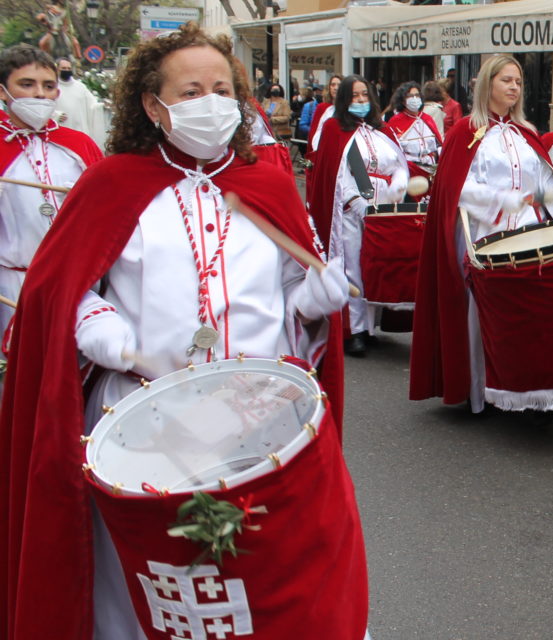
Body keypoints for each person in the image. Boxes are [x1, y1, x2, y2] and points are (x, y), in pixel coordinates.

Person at [0, 23, 359, 639]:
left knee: (272, 581)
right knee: (162, 586)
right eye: (190, 92)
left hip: (260, 421)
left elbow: (287, 294)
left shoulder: (267, 184)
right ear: (152, 105)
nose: (210, 102)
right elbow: (63, 292)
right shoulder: (112, 185)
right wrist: (100, 327)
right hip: (148, 417)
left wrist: (313, 297)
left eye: (222, 88)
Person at [409, 54, 553, 420]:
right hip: (485, 233)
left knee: (537, 315)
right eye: (506, 80)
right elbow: (457, 189)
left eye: (518, 82)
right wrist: (503, 203)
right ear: (487, 84)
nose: (513, 87)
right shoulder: (465, 132)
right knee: (485, 319)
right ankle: (481, 391)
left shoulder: (525, 133)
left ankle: (541, 394)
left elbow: (544, 184)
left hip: (529, 232)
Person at [0, 45, 102, 340]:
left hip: (76, 284)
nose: (40, 94)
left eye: (48, 85)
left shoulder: (78, 145)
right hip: (12, 284)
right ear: (4, 92)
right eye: (26, 84)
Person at [308, 74, 409, 356]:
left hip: (385, 207)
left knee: (375, 266)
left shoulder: (383, 130)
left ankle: (371, 326)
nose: (361, 100)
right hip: (351, 211)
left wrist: (398, 185)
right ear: (344, 100)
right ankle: (355, 330)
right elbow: (340, 173)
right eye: (354, 96)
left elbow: (399, 164)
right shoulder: (334, 129)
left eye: (364, 94)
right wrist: (359, 203)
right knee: (352, 267)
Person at [386, 80, 444, 203]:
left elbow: (438, 143)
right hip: (410, 171)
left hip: (431, 171)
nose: (414, 99)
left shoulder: (427, 119)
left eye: (417, 95)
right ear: (403, 100)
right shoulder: (395, 122)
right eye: (410, 96)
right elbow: (393, 151)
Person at [52, 56, 107, 147]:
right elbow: (46, 108)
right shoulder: (52, 87)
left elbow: (92, 105)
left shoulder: (80, 87)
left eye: (69, 68)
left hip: (80, 132)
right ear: (57, 69)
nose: (67, 70)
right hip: (61, 133)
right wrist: (56, 115)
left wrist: (102, 106)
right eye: (63, 68)